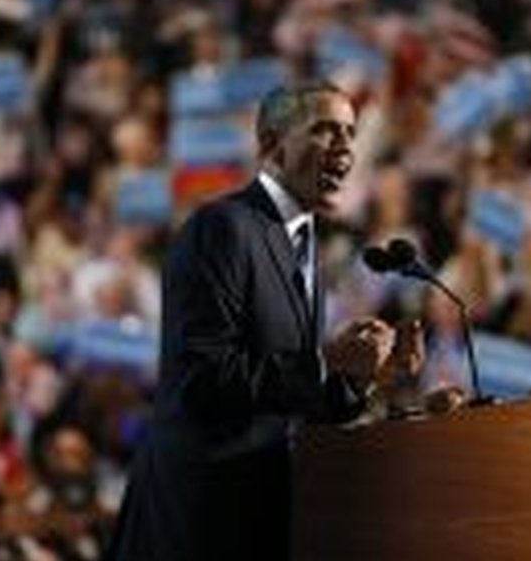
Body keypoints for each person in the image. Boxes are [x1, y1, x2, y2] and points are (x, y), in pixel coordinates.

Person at [106, 81, 418, 561]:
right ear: (271, 145)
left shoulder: (303, 238)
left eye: (350, 133)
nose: (344, 147)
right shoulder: (224, 227)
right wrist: (326, 358)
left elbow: (289, 396)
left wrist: (363, 378)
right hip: (198, 520)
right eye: (324, 130)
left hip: (257, 512)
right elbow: (204, 381)